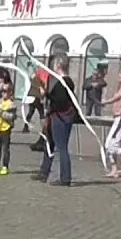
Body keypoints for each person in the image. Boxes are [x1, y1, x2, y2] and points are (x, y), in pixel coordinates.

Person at [34, 55, 75, 187]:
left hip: (61, 118)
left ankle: (65, 178)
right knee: (48, 145)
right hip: (54, 117)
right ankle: (44, 172)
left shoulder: (65, 82)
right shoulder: (60, 81)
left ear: (58, 66)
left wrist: (46, 93)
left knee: (61, 147)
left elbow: (60, 100)